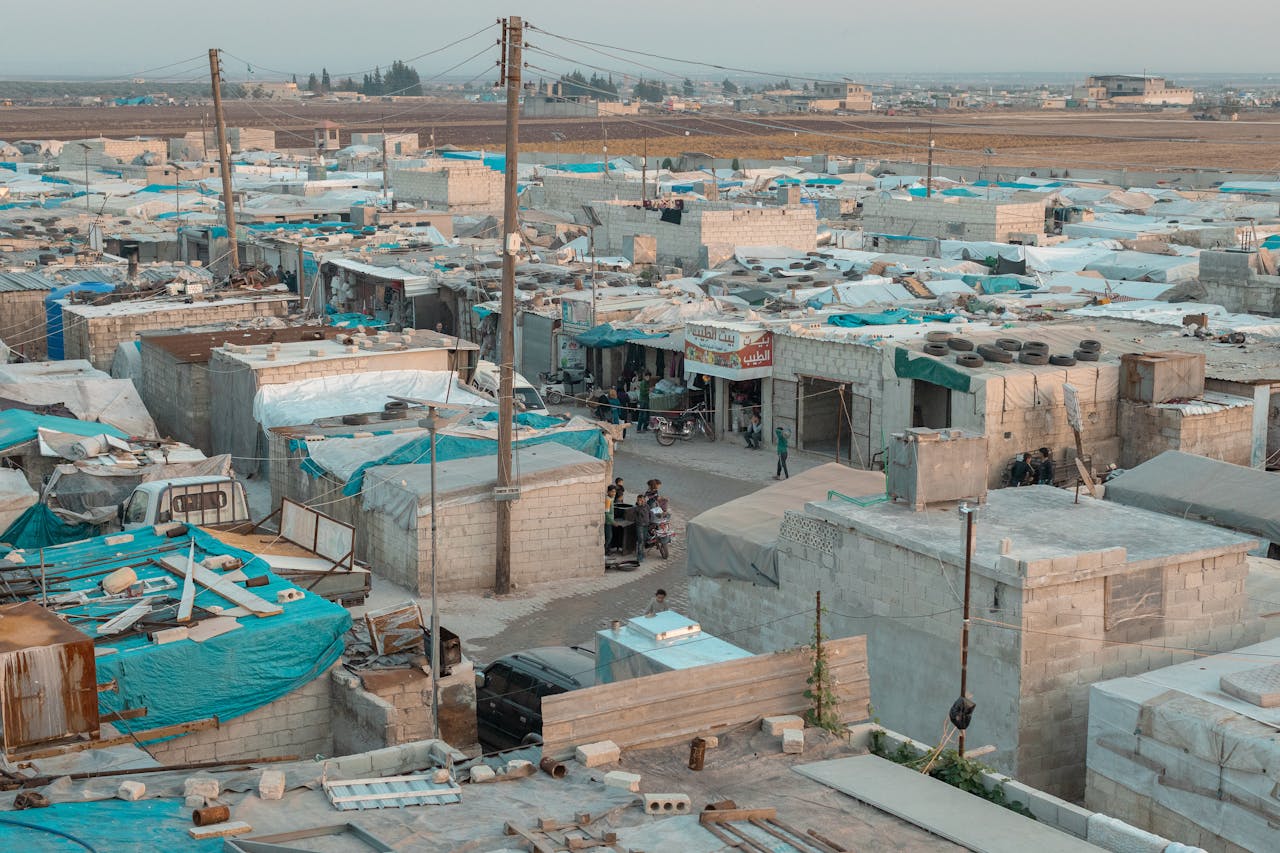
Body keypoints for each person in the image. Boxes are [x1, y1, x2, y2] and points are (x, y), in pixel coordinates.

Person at [633, 493, 649, 563]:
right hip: (640, 525)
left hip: (646, 525)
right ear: (637, 501)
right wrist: (640, 505)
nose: (641, 501)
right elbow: (639, 512)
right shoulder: (636, 508)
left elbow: (649, 513)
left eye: (642, 500)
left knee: (644, 540)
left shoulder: (647, 506)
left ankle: (642, 553)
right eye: (639, 500)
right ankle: (639, 556)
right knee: (640, 540)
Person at [604, 485, 617, 554]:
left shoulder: (611, 498)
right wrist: (613, 522)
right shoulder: (608, 500)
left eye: (614, 492)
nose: (614, 493)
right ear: (608, 492)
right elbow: (606, 513)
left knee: (610, 536)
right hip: (608, 522)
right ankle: (605, 550)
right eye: (612, 492)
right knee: (609, 537)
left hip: (610, 521)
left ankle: (608, 549)